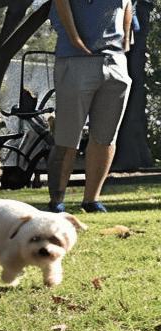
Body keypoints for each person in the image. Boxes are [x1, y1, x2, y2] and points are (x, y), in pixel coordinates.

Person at [46, 0, 136, 213]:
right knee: (67, 137)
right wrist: (75, 40)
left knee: (105, 137)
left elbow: (128, 5)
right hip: (75, 60)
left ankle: (91, 200)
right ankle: (57, 202)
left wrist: (126, 41)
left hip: (115, 62)